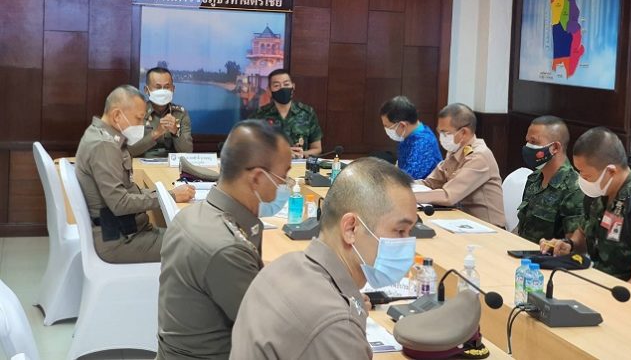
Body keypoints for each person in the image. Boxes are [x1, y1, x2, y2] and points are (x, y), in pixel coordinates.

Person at [230, 157, 418, 360]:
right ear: (351, 228)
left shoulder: (283, 266)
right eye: (400, 230)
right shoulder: (336, 326)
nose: (407, 243)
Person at [158, 120, 292, 360]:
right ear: (257, 178)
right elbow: (273, 331)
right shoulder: (227, 248)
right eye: (283, 176)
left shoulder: (192, 216)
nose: (285, 185)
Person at [540, 127, 631, 289]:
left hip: (625, 296)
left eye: (586, 176)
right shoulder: (599, 195)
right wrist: (568, 245)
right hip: (599, 284)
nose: (581, 181)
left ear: (611, 171)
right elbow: (582, 237)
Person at [74, 85, 194, 263]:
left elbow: (126, 191)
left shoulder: (101, 136)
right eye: (138, 119)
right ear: (117, 115)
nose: (141, 125)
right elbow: (120, 203)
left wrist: (166, 194)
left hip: (126, 231)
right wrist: (170, 196)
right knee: (197, 246)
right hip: (121, 240)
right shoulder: (104, 145)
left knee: (191, 237)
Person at [414, 103, 505, 227]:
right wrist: (400, 187)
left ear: (464, 132)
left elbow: (448, 196)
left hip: (488, 229)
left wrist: (408, 197)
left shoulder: (479, 156)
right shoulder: (455, 151)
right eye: (439, 132)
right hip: (461, 221)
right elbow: (430, 183)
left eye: (445, 133)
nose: (441, 137)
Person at [516, 115, 584, 243]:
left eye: (534, 142)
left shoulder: (574, 189)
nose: (528, 147)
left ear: (555, 148)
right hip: (522, 251)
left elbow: (573, 246)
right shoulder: (534, 179)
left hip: (548, 255)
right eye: (527, 141)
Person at [250, 68, 323, 158]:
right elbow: (250, 149)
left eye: (286, 84)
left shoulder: (307, 113)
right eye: (277, 85)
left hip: (299, 165)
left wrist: (301, 154)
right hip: (270, 166)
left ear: (293, 87)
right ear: (269, 91)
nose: (282, 88)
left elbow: (317, 149)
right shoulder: (259, 115)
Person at [128, 67, 193, 158]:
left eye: (166, 87)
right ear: (146, 90)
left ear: (173, 89)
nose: (163, 91)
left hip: (172, 163)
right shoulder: (136, 113)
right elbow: (131, 150)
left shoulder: (180, 113)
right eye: (158, 87)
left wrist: (175, 132)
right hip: (142, 163)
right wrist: (156, 134)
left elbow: (187, 151)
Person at [379, 96, 441, 179]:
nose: (386, 129)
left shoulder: (423, 144)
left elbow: (407, 179)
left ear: (402, 125)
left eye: (387, 126)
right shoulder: (409, 135)